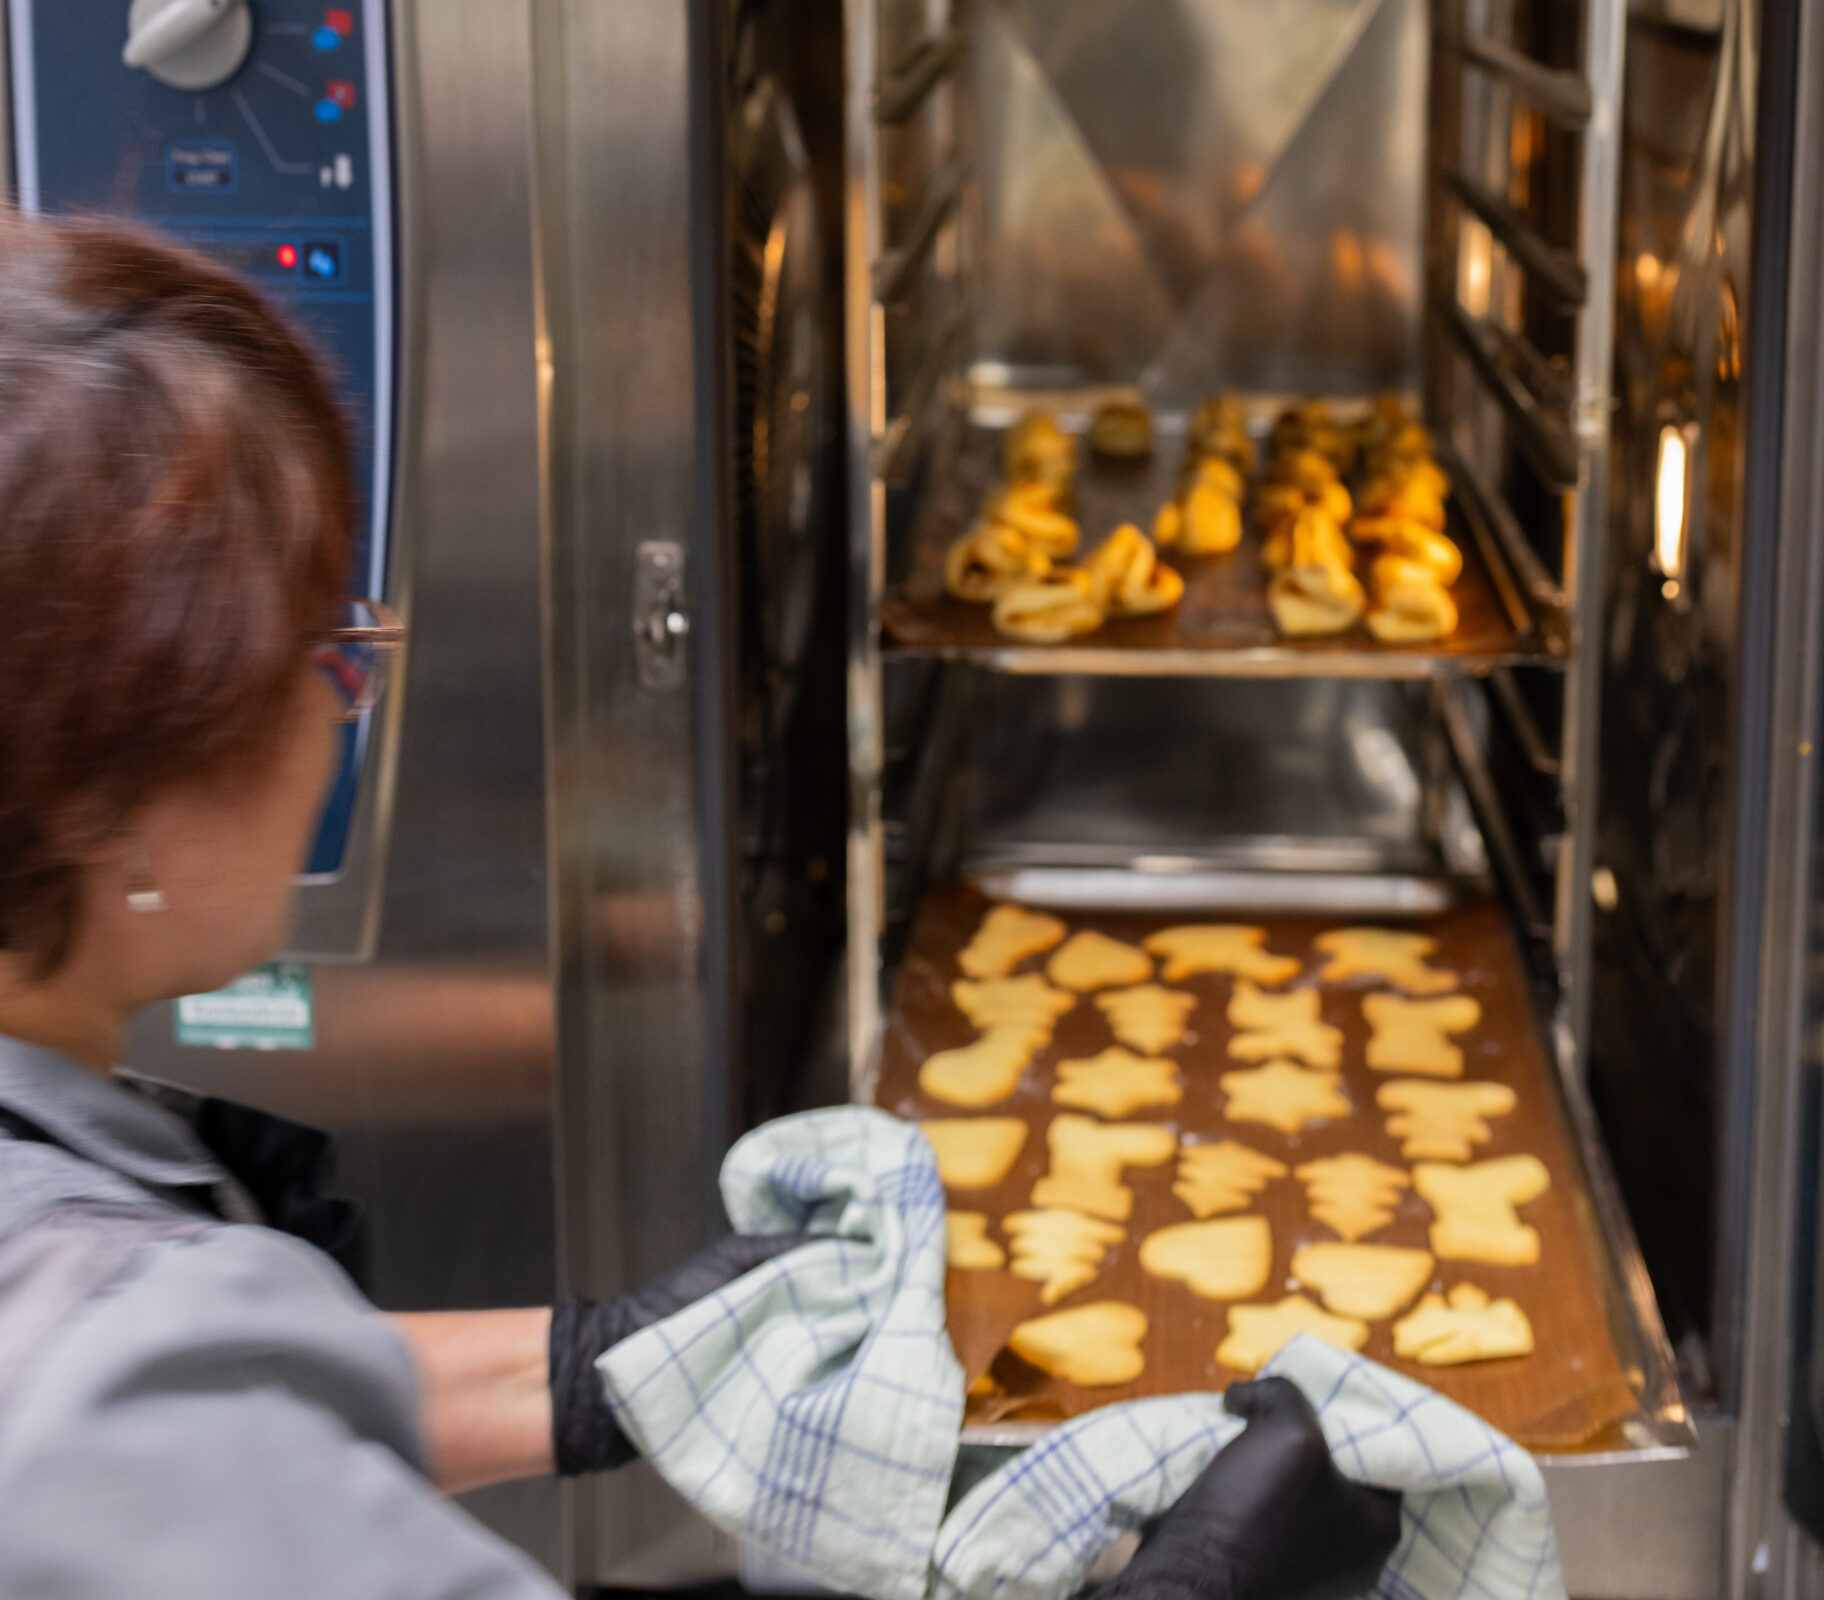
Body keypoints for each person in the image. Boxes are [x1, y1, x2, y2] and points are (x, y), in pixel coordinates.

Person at [0, 213, 1399, 1598]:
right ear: (111, 791)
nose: (341, 699)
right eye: (319, 651)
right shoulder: (95, 1398)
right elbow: (170, 1439)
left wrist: (599, 1365)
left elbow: (233, 1432)